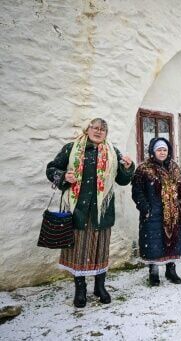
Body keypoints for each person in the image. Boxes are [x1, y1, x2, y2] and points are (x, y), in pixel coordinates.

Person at [46, 118, 134, 308]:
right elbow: (51, 169)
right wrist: (63, 176)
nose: (99, 131)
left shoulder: (112, 152)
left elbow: (123, 180)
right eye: (95, 128)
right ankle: (80, 289)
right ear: (88, 129)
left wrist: (128, 168)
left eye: (103, 129)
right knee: (79, 251)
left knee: (100, 249)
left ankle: (100, 287)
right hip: (78, 210)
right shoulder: (72, 149)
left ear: (106, 133)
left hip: (102, 212)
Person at [131, 137, 181, 286]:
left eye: (164, 150)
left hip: (173, 214)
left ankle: (171, 270)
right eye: (159, 150)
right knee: (154, 244)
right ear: (153, 151)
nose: (162, 152)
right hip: (153, 214)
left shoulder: (174, 167)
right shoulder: (144, 168)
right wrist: (145, 208)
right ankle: (154, 272)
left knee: (173, 244)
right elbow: (137, 191)